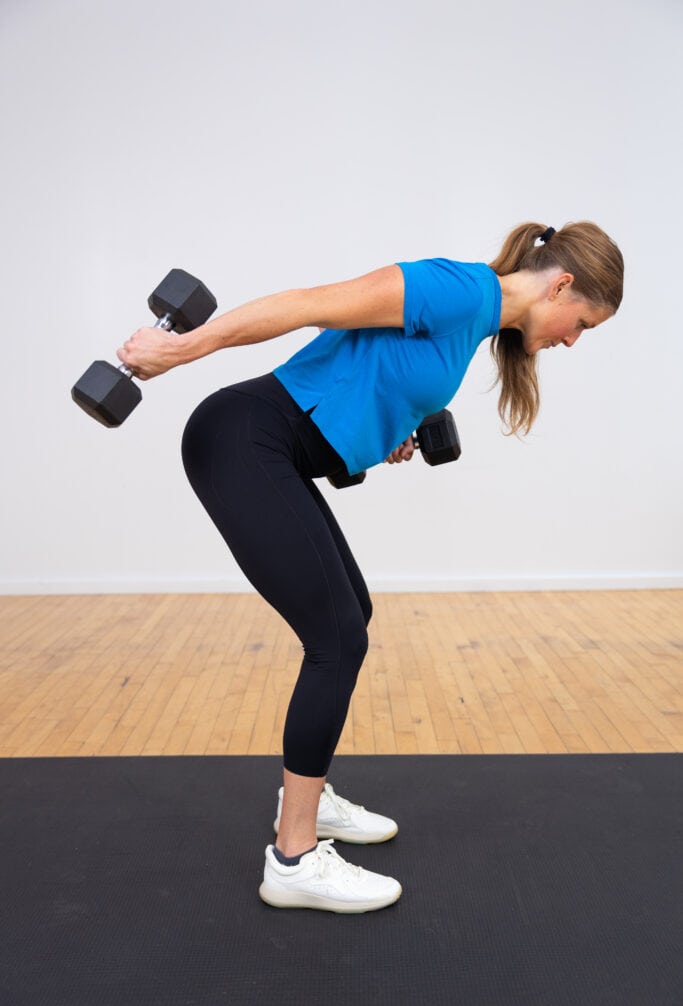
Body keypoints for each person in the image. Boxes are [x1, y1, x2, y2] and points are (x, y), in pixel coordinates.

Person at [117, 221, 624, 914]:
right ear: (562, 285)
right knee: (336, 639)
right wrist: (181, 349)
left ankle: (308, 798)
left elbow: (350, 382)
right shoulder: (455, 289)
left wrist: (384, 432)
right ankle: (292, 859)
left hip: (272, 450)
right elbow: (305, 303)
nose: (571, 339)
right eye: (582, 324)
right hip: (240, 437)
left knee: (352, 616)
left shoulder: (474, 323)